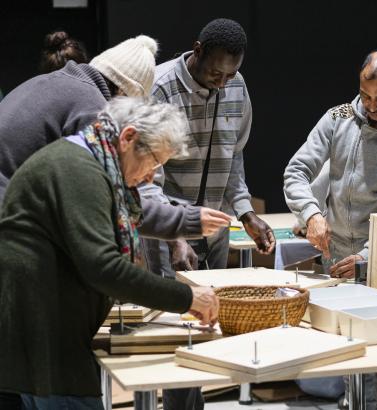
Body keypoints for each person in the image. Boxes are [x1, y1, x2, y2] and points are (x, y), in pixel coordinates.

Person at [0, 97, 219, 410]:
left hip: (42, 332)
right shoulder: (78, 169)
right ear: (128, 138)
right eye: (154, 163)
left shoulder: (90, 164)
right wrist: (189, 296)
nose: (149, 178)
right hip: (43, 338)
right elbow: (104, 268)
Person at [284, 50, 377, 409]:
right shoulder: (338, 118)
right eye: (365, 96)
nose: (371, 106)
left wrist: (365, 259)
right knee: (339, 357)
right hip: (333, 261)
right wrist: (312, 213)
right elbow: (296, 171)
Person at [0, 34, 227, 248]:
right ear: (123, 95)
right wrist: (185, 220)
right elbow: (108, 202)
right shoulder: (92, 109)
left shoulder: (57, 81)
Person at [142, 18, 275, 279]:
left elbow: (233, 156)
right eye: (216, 74)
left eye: (231, 74)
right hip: (170, 232)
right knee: (171, 310)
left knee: (213, 310)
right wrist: (173, 235)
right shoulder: (160, 89)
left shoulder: (236, 86)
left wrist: (246, 213)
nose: (223, 83)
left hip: (216, 227)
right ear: (198, 50)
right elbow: (147, 180)